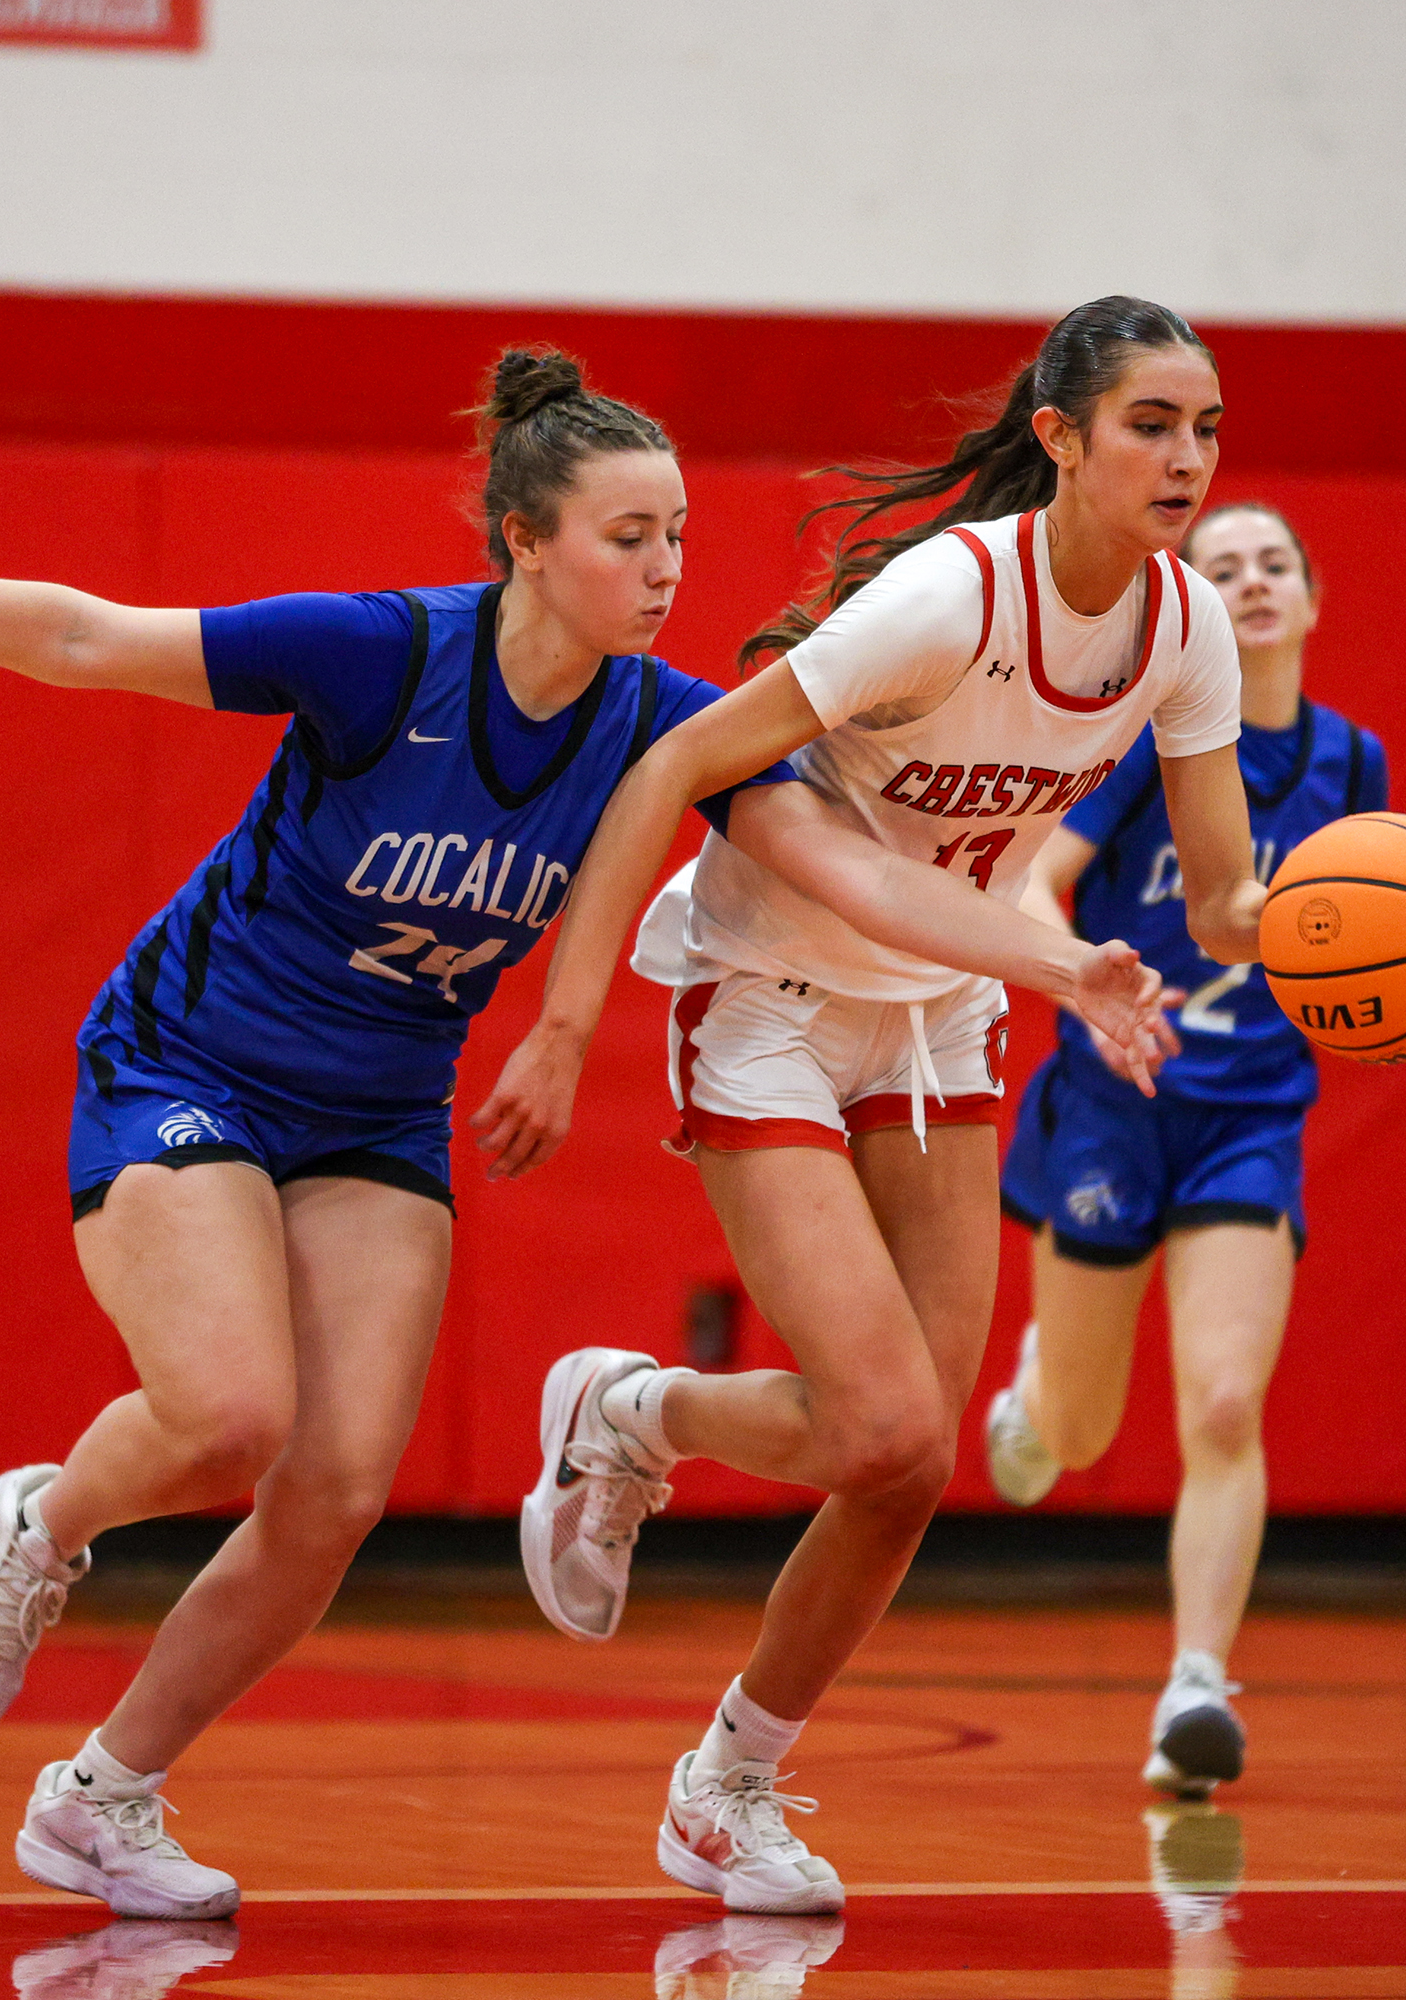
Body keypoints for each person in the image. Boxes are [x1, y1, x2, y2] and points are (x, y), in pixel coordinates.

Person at [0, 348, 1165, 1922]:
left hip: (376, 1112)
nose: (663, 571)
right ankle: (46, 1525)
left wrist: (1053, 958)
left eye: (677, 537)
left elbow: (852, 871)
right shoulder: (381, 657)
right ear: (525, 539)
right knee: (232, 1414)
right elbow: (79, 634)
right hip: (190, 1063)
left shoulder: (664, 726)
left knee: (334, 1494)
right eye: (625, 537)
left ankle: (102, 1796)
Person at [471, 297, 1267, 1915]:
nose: (1185, 458)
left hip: (942, 1019)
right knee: (886, 1420)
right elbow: (670, 766)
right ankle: (634, 1413)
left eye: (1205, 429)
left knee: (906, 1467)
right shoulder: (947, 599)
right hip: (768, 995)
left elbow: (1232, 899)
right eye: (1150, 425)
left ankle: (728, 1787)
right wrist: (562, 1020)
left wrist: (1386, 952)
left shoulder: (1186, 628)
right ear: (1060, 437)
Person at [984, 502, 1406, 1799]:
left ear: (1314, 601)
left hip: (1250, 1110)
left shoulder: (1350, 760)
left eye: (1276, 563)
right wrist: (1077, 976)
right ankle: (1041, 1393)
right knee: (1079, 1436)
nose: (1254, 580)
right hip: (1115, 1094)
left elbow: (1391, 910)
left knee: (1223, 1401)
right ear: (1191, 607)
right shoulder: (1140, 747)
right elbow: (1029, 883)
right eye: (1224, 567)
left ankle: (1196, 1690)